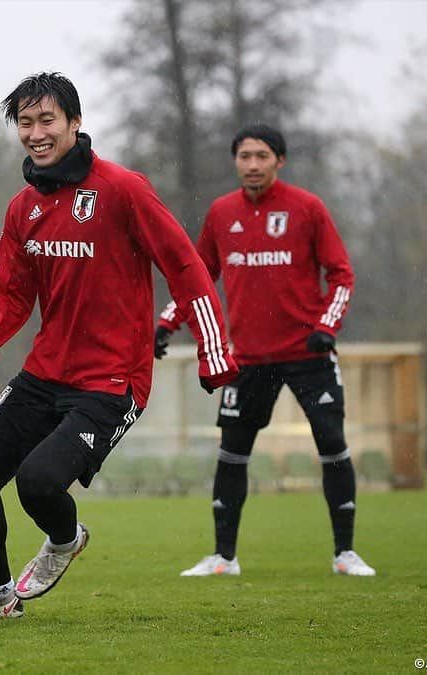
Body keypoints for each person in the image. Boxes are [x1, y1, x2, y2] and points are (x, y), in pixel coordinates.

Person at [0, 72, 238, 624]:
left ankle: (65, 538)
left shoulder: (123, 190)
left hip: (112, 382)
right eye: (25, 122)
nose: (36, 133)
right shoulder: (23, 208)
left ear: (75, 122)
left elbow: (185, 267)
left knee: (38, 483)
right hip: (44, 374)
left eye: (47, 120)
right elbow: (6, 302)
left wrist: (214, 352)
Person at [156, 123, 375, 577]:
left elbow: (341, 274)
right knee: (232, 453)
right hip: (248, 359)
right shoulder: (221, 213)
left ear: (280, 161)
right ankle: (223, 558)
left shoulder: (307, 209)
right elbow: (195, 276)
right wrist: (165, 323)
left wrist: (326, 327)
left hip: (308, 355)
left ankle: (345, 554)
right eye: (244, 156)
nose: (252, 164)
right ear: (235, 161)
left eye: (262, 156)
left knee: (332, 445)